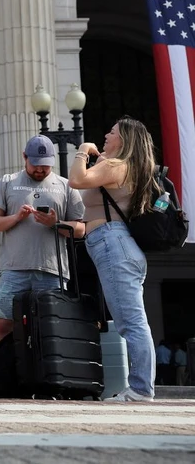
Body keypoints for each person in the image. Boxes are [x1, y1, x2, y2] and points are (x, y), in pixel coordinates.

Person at [69, 117, 158, 402]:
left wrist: (83, 149)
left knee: (131, 322)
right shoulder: (122, 166)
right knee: (131, 320)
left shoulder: (116, 165)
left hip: (112, 243)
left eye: (112, 132)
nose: (106, 135)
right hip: (116, 244)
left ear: (124, 140)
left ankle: (141, 389)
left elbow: (76, 180)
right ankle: (140, 387)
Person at [0, 135, 85, 350]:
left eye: (45, 166)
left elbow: (81, 230)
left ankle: (50, 376)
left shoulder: (66, 186)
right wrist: (16, 218)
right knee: (5, 324)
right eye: (35, 165)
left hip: (52, 272)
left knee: (51, 325)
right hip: (14, 269)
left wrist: (55, 223)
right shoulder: (7, 182)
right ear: (24, 157)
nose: (40, 171)